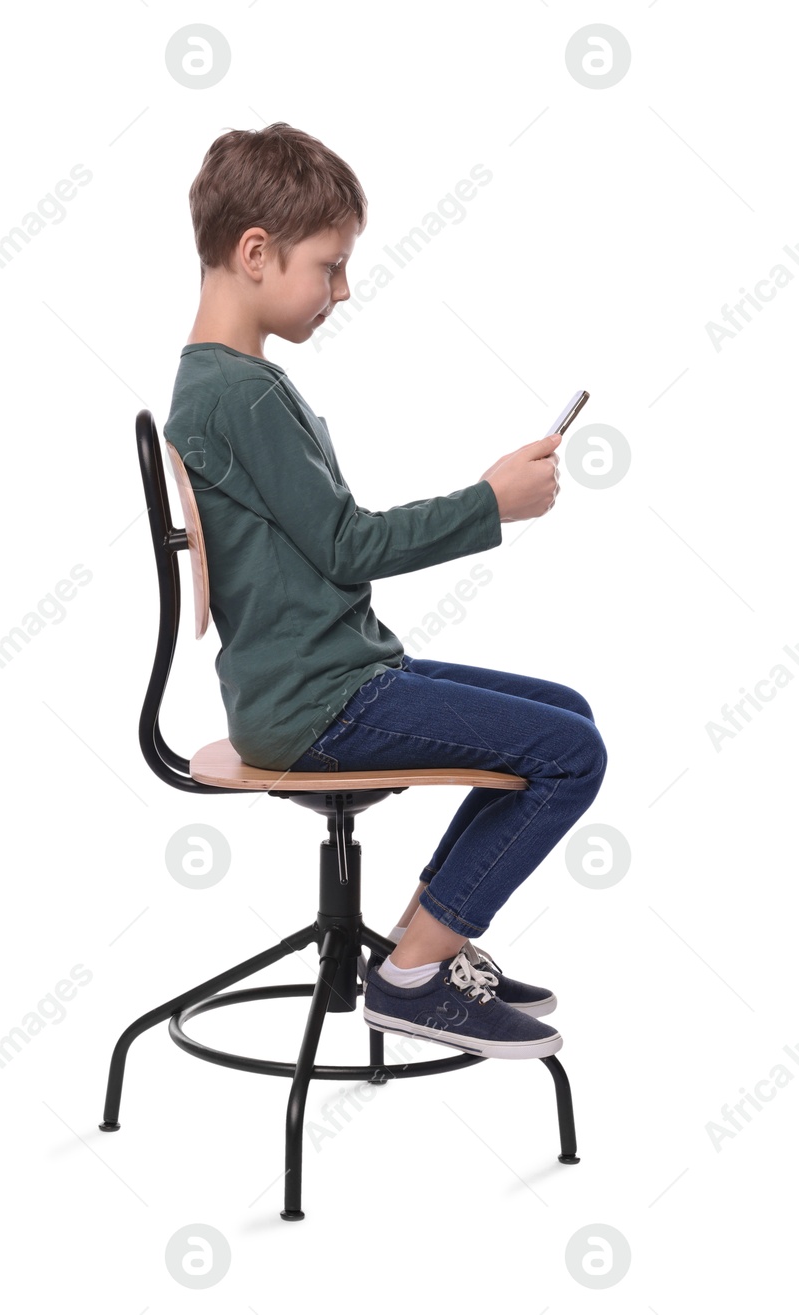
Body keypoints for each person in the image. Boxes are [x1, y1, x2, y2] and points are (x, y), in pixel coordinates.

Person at [164, 125, 607, 1061]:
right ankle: (413, 974)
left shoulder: (227, 385)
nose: (343, 289)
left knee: (563, 714)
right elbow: (347, 542)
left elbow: (323, 548)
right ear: (255, 253)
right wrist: (492, 502)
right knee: (569, 753)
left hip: (318, 681)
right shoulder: (237, 396)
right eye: (329, 266)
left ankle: (424, 945)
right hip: (320, 705)